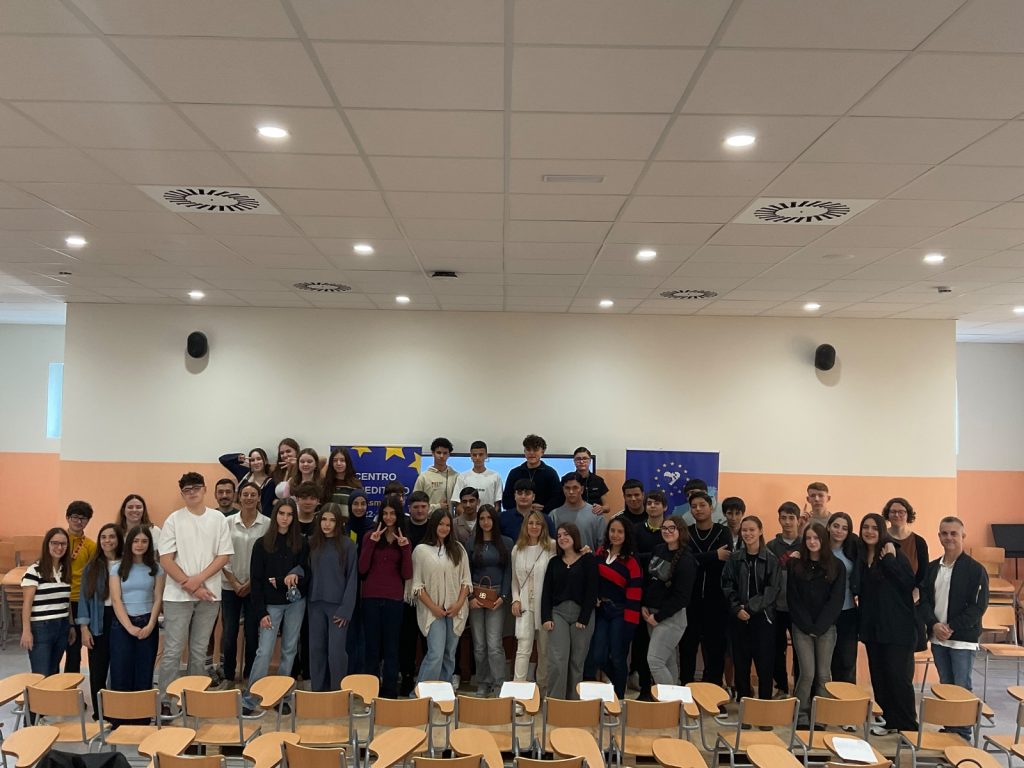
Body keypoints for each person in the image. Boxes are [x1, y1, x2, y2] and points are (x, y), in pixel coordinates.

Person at [157, 473, 233, 707]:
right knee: (172, 651)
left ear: (204, 489)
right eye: (187, 490)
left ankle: (193, 701)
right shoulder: (174, 520)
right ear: (182, 493)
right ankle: (166, 702)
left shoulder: (218, 519)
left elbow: (224, 556)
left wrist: (198, 581)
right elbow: (166, 559)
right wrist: (191, 586)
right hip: (177, 596)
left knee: (199, 651)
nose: (192, 492)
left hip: (209, 595)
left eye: (196, 488)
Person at [919, 516, 989, 738]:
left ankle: (963, 733)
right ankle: (950, 727)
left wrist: (950, 627)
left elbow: (978, 607)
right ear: (939, 536)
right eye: (944, 533)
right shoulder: (932, 568)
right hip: (938, 637)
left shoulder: (975, 570)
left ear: (963, 536)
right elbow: (924, 601)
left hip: (962, 639)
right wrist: (934, 624)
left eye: (953, 533)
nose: (948, 537)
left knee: (961, 687)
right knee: (946, 684)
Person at [243, 499, 308, 714]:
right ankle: (251, 698)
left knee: (289, 650)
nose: (285, 518)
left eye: (289, 514)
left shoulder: (301, 543)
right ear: (275, 515)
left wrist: (284, 579)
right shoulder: (262, 544)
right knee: (264, 651)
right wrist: (261, 612)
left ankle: (282, 696)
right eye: (282, 513)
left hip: (295, 603)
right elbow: (257, 580)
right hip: (270, 605)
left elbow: (306, 572)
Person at [858, 513, 919, 736]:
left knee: (898, 678)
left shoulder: (893, 553)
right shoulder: (861, 555)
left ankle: (908, 726)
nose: (870, 531)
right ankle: (891, 720)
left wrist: (890, 560)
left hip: (897, 628)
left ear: (882, 531)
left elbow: (908, 583)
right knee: (880, 677)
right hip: (873, 629)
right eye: (866, 527)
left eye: (875, 528)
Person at [789, 522, 846, 727]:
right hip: (802, 628)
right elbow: (793, 599)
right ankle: (801, 715)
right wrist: (807, 626)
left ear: (823, 540)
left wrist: (820, 626)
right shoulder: (796, 565)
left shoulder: (836, 566)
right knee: (807, 673)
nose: (812, 542)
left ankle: (821, 715)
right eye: (808, 538)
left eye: (816, 538)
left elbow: (836, 599)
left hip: (826, 628)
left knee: (823, 674)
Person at [359, 495, 412, 698]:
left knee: (391, 648)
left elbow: (407, 574)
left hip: (394, 600)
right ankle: (370, 692)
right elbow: (362, 569)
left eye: (393, 514)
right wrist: (371, 544)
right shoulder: (369, 536)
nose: (389, 517)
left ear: (398, 515)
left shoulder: (404, 539)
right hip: (371, 598)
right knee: (372, 648)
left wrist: (405, 548)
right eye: (385, 513)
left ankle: (389, 692)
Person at [411, 509, 472, 685]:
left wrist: (459, 604)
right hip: (433, 611)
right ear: (433, 525)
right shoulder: (421, 551)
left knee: (449, 654)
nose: (444, 528)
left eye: (447, 525)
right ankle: (422, 692)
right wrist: (434, 608)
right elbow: (417, 586)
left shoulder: (458, 549)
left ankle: (443, 691)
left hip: (455, 610)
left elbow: (466, 581)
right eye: (441, 524)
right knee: (435, 653)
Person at [722, 515, 779, 700]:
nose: (748, 534)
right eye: (744, 530)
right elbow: (727, 584)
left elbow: (772, 590)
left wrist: (749, 608)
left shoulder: (771, 559)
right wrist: (737, 608)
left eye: (752, 530)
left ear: (760, 531)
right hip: (738, 617)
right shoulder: (735, 558)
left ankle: (764, 704)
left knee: (764, 665)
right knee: (741, 664)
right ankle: (743, 703)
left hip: (763, 618)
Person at [584, 517, 642, 698]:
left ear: (626, 535)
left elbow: (635, 595)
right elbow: (592, 580)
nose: (615, 535)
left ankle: (619, 697)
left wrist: (630, 625)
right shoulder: (600, 553)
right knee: (597, 655)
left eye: (620, 532)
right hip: (602, 611)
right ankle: (613, 684)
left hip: (621, 614)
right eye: (612, 531)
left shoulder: (631, 561)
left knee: (618, 657)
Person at [679, 491, 731, 686]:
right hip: (690, 600)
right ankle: (686, 688)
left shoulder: (722, 531)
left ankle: (714, 690)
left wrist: (699, 560)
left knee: (715, 649)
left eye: (702, 505)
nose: (698, 509)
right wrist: (713, 555)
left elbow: (726, 558)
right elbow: (684, 560)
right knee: (687, 648)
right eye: (694, 506)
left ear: (711, 507)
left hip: (716, 600)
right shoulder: (686, 532)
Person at [221, 481, 269, 684]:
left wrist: (250, 583)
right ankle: (228, 676)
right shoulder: (227, 522)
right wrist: (234, 582)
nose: (249, 498)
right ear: (238, 497)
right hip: (229, 586)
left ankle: (250, 676)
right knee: (229, 633)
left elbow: (268, 558)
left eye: (253, 494)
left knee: (252, 633)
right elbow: (220, 553)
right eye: (245, 494)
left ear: (259, 498)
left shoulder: (267, 523)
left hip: (255, 588)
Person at [542, 523, 598, 700]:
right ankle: (555, 702)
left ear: (574, 536)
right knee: (558, 661)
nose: (562, 538)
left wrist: (584, 617)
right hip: (558, 614)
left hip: (582, 615)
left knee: (576, 662)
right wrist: (546, 617)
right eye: (559, 536)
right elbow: (546, 592)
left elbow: (592, 590)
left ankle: (573, 703)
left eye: (566, 534)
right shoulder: (554, 562)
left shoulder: (588, 560)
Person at [109, 526, 165, 700]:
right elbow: (116, 599)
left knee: (144, 672)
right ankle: (120, 714)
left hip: (147, 622)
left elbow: (158, 598)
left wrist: (151, 625)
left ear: (149, 544)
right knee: (121, 672)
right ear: (129, 543)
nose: (140, 545)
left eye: (144, 541)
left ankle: (142, 714)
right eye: (136, 541)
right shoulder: (117, 568)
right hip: (122, 625)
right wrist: (129, 627)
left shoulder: (156, 569)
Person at [307, 503, 358, 692]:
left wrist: (346, 610)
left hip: (338, 607)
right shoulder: (311, 543)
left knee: (336, 652)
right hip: (315, 604)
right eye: (324, 519)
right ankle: (317, 692)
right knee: (316, 650)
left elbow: (352, 578)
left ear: (339, 522)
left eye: (332, 520)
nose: (327, 524)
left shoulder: (348, 545)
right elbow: (303, 567)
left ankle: (338, 692)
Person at [642, 516, 697, 688]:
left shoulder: (686, 560)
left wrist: (658, 617)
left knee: (655, 661)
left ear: (680, 530)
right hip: (651, 613)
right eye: (664, 528)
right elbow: (649, 580)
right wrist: (644, 605)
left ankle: (671, 700)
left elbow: (682, 597)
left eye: (671, 528)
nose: (667, 531)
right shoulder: (658, 549)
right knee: (667, 660)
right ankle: (675, 702)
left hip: (670, 618)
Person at [77, 523, 124, 716]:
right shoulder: (92, 567)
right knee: (98, 670)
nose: (107, 541)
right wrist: (84, 628)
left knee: (120, 668)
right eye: (103, 537)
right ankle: (100, 713)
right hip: (99, 620)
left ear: (118, 539)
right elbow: (83, 598)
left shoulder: (127, 564)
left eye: (111, 536)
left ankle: (119, 711)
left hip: (122, 619)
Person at [468, 505, 513, 696]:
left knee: (494, 644)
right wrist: (470, 597)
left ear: (495, 520)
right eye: (482, 518)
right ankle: (483, 682)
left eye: (489, 518)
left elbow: (509, 572)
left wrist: (503, 596)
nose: (485, 522)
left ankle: (499, 682)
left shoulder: (506, 542)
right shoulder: (471, 543)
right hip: (476, 597)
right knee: (479, 645)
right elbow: (466, 571)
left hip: (497, 598)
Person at [511, 510, 555, 693]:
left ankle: (543, 690)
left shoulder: (551, 546)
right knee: (523, 649)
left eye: (538, 523)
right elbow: (515, 580)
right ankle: (518, 693)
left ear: (543, 526)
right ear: (525, 526)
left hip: (544, 606)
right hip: (524, 605)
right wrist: (515, 600)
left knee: (544, 651)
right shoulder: (517, 549)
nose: (534, 527)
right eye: (531, 523)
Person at [21, 528, 73, 676]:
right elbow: (27, 603)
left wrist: (71, 625)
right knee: (41, 675)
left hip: (62, 626)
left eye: (63, 544)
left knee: (53, 674)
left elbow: (66, 601)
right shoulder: (34, 570)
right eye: (55, 543)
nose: (59, 547)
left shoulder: (65, 570)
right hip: (41, 628)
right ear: (47, 544)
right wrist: (26, 631)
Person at [632, 489, 667, 699]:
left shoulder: (670, 529)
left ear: (665, 507)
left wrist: (650, 558)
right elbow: (634, 557)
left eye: (657, 503)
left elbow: (674, 557)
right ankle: (645, 689)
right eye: (649, 503)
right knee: (641, 644)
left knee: (663, 649)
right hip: (641, 592)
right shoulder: (637, 529)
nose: (652, 506)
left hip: (665, 595)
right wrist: (657, 556)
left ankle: (664, 692)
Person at [883, 497, 930, 651]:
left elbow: (924, 575)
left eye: (901, 512)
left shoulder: (919, 542)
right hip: (886, 604)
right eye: (893, 512)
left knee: (910, 650)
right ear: (887, 514)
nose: (897, 515)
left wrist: (913, 596)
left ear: (908, 514)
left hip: (911, 603)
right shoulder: (881, 539)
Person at [399, 490, 433, 695]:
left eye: (423, 507)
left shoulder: (435, 528)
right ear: (409, 508)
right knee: (407, 639)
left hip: (430, 592)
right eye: (416, 507)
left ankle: (429, 680)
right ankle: (406, 678)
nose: (420, 511)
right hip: (407, 592)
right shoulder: (402, 527)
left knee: (428, 638)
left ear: (429, 508)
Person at [767, 501, 802, 695]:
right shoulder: (771, 546)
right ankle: (781, 686)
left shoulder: (806, 544)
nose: (787, 522)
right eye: (783, 518)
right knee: (776, 650)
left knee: (800, 651)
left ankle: (800, 689)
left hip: (799, 608)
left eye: (791, 518)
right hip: (775, 608)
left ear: (798, 520)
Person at [827, 512, 861, 683]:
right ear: (828, 527)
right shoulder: (819, 550)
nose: (839, 531)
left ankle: (848, 696)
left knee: (847, 660)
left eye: (844, 528)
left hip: (848, 611)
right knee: (828, 660)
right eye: (836, 526)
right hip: (825, 612)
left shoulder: (852, 551)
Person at [64, 500, 96, 674]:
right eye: (75, 517)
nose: (78, 521)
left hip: (79, 600)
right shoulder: (58, 540)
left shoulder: (91, 546)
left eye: (83, 518)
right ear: (67, 517)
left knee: (74, 649)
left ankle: (71, 687)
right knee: (55, 647)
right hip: (58, 599)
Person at [502, 434, 563, 514]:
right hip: (517, 517)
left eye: (535, 450)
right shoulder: (514, 473)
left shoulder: (550, 473)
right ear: (524, 451)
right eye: (528, 449)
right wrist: (524, 508)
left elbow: (557, 499)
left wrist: (543, 509)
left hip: (543, 516)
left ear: (542, 452)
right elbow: (506, 500)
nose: (531, 453)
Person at [550, 472, 606, 552]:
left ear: (582, 489)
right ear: (563, 489)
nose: (571, 492)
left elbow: (602, 545)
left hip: (589, 559)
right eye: (567, 488)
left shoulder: (596, 513)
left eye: (575, 488)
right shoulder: (554, 515)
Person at [219, 448, 275, 517]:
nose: (256, 462)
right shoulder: (244, 473)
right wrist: (239, 458)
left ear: (265, 461)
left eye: (259, 459)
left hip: (257, 518)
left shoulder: (269, 483)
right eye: (252, 460)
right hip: (238, 515)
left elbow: (266, 509)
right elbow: (223, 459)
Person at [451, 440, 503, 510]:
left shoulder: (495, 476)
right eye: (474, 455)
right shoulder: (462, 477)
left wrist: (491, 516)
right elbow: (458, 504)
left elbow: (497, 504)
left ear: (486, 455)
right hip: (467, 516)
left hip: (488, 516)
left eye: (481, 454)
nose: (477, 458)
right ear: (471, 456)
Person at [414, 437, 458, 512]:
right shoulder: (423, 477)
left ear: (449, 454)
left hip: (448, 518)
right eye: (439, 452)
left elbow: (459, 504)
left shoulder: (455, 476)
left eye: (445, 453)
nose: (441, 456)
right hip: (429, 518)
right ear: (433, 453)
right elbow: (415, 503)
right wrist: (437, 507)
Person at [320, 447, 364, 515]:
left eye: (342, 460)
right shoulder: (325, 483)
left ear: (347, 462)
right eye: (335, 460)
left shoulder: (355, 484)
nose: (338, 463)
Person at [572, 447, 610, 515]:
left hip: (594, 517)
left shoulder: (598, 481)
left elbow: (607, 507)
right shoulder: (568, 481)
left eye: (585, 458)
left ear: (590, 461)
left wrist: (602, 508)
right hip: (573, 517)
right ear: (574, 461)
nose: (581, 461)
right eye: (578, 459)